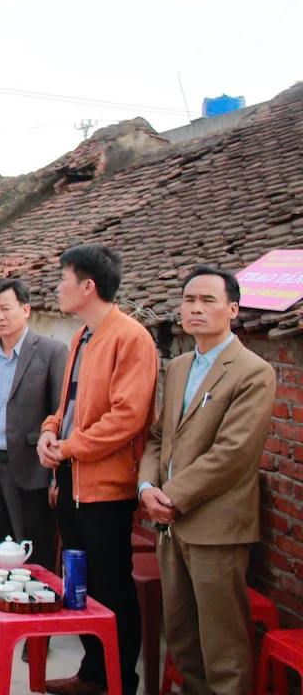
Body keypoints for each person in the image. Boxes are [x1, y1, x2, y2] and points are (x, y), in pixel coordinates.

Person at [138, 266, 275, 695]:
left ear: (232, 309)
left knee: (223, 644)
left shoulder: (253, 372)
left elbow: (233, 454)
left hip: (215, 525)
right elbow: (159, 437)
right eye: (189, 300)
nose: (196, 309)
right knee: (181, 638)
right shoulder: (179, 366)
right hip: (169, 523)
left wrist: (173, 495)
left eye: (208, 301)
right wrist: (146, 489)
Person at [37, 244, 158, 695]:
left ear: (88, 286)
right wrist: (50, 432)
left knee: (110, 585)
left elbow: (126, 418)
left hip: (106, 486)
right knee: (79, 582)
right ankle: (93, 673)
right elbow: (68, 405)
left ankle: (118, 680)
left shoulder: (131, 337)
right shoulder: (81, 336)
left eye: (63, 278)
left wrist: (67, 446)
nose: (58, 287)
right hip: (72, 477)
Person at [0, 278, 68, 642]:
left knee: (33, 549)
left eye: (6, 308)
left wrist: (56, 477)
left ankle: (37, 633)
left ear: (26, 309)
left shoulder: (51, 351)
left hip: (32, 466)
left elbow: (60, 414)